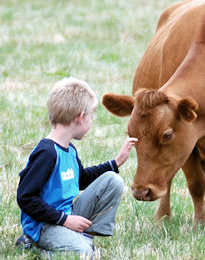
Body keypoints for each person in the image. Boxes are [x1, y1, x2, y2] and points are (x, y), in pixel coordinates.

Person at [16, 77, 138, 256]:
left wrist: (115, 163)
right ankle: (35, 247)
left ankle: (85, 236)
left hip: (67, 215)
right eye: (91, 116)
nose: (92, 120)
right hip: (44, 226)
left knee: (113, 180)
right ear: (80, 117)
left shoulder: (69, 150)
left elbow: (81, 180)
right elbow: (26, 197)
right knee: (83, 254)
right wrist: (64, 220)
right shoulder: (47, 154)